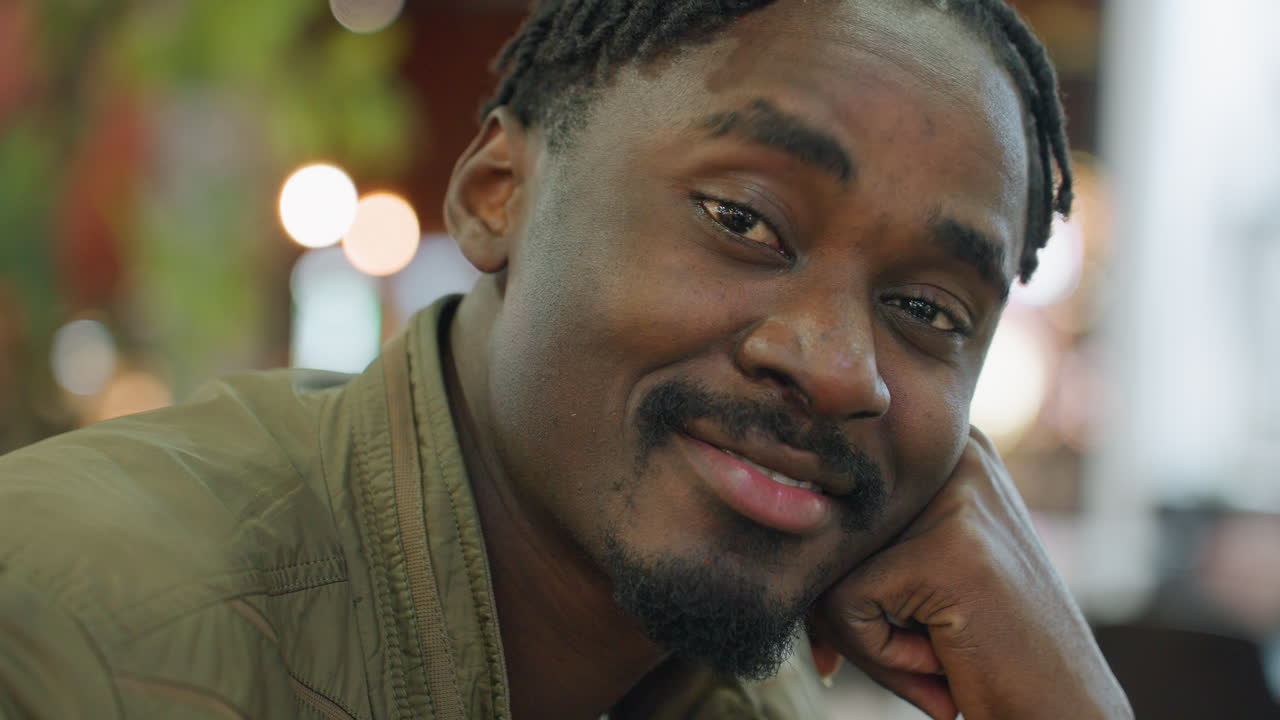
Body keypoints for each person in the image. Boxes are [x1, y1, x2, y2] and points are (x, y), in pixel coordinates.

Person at [0, 1, 1132, 718]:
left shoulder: (753, 691)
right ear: (497, 197)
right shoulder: (75, 632)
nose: (841, 369)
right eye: (742, 221)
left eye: (927, 309)